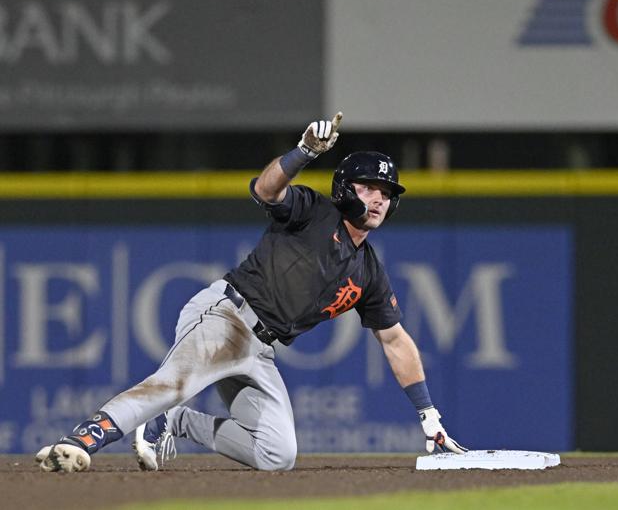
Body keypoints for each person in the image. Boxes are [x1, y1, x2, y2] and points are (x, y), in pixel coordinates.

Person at [36, 113, 467, 473]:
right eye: (368, 187)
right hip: (228, 315)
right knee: (173, 383)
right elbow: (266, 190)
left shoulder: (368, 270)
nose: (377, 199)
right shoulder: (315, 210)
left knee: (277, 454)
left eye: (386, 193)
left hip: (261, 348)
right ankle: (81, 440)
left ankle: (178, 423)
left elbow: (394, 339)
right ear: (342, 188)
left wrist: (427, 414)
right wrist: (304, 153)